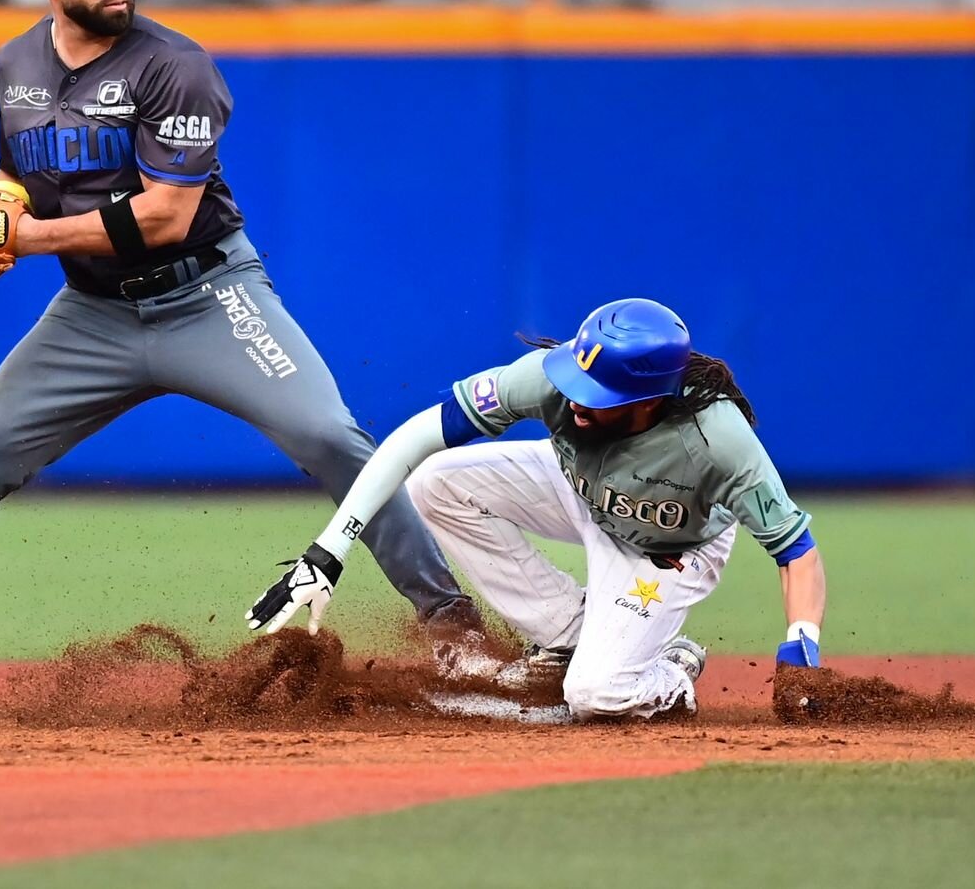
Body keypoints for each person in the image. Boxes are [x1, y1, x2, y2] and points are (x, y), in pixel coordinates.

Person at [0, 0, 476, 724]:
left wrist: (29, 234)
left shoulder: (172, 65)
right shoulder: (14, 66)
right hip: (92, 316)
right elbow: (20, 177)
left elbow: (164, 217)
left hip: (208, 294)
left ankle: (456, 633)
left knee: (332, 438)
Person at [247, 297, 826, 721]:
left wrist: (800, 645)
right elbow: (412, 440)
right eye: (577, 378)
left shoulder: (717, 440)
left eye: (597, 396)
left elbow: (795, 548)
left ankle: (671, 670)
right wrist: (330, 549)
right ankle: (574, 631)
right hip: (580, 488)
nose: (575, 399)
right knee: (437, 482)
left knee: (596, 697)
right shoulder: (552, 382)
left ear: (649, 401)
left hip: (668, 547)